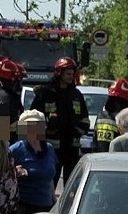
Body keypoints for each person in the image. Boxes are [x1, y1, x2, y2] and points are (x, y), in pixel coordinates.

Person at [30, 57, 90, 189]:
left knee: (72, 187)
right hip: (50, 149)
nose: (71, 77)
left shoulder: (76, 94)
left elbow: (85, 118)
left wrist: (81, 129)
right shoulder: (45, 94)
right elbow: (31, 120)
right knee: (48, 184)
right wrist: (45, 132)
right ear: (59, 73)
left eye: (72, 74)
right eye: (68, 74)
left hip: (71, 149)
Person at [94, 78, 128, 152]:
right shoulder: (123, 118)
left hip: (99, 159)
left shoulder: (100, 116)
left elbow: (94, 141)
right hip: (115, 160)